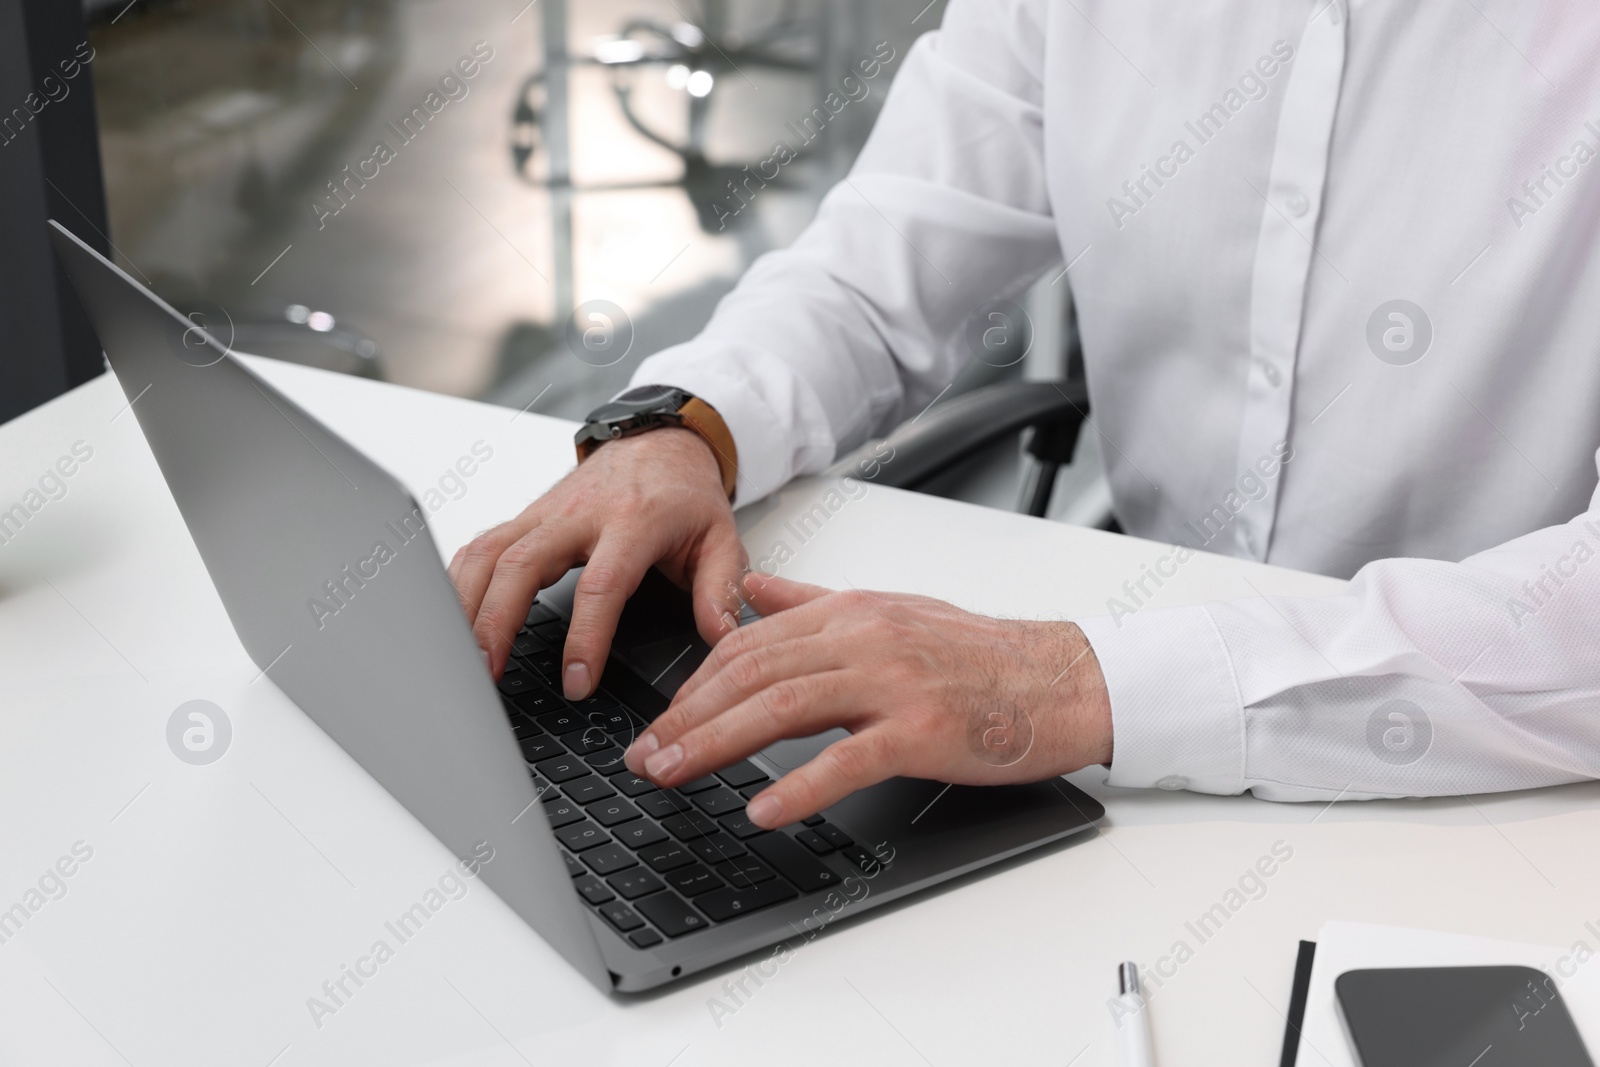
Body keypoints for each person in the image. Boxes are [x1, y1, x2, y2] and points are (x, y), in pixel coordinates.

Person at [449, 0, 1600, 830]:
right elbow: (876, 267)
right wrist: (679, 425)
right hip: (1129, 754)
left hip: (1488, 783)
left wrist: (1075, 682)